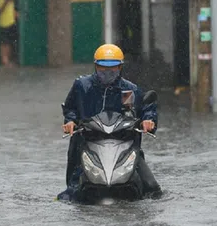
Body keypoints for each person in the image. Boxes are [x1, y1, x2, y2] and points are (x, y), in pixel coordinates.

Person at [61, 44, 161, 197]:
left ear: (120, 68)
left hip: (124, 144)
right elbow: (70, 108)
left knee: (152, 188)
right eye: (103, 70)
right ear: (95, 66)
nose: (107, 74)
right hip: (88, 142)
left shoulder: (129, 90)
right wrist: (71, 121)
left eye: (112, 70)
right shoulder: (82, 86)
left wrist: (148, 120)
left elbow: (146, 108)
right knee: (71, 192)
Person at [0, 0, 19, 67]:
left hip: (11, 23)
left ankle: (8, 60)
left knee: (9, 42)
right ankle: (4, 60)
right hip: (3, 24)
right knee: (4, 43)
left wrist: (17, 14)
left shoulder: (12, 0)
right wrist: (5, 2)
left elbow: (12, 11)